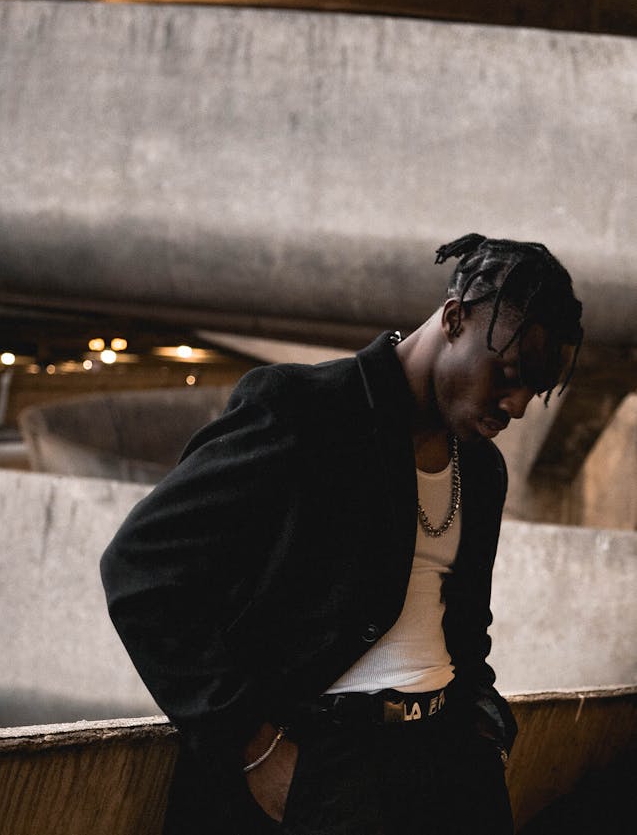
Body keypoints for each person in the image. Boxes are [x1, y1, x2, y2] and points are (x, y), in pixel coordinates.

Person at [100, 233, 583, 835]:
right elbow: (140, 567)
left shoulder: (481, 468)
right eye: (507, 373)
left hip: (451, 766)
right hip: (327, 765)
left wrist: (484, 731)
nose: (514, 404)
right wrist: (251, 743)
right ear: (455, 319)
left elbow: (464, 624)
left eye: (532, 393)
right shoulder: (304, 411)